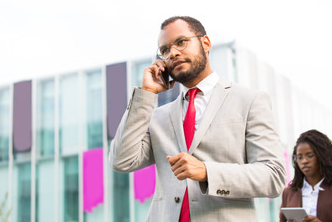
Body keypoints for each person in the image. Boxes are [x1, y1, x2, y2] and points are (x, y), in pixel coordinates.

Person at [109, 16, 286, 222]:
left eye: (181, 42)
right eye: (164, 50)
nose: (173, 53)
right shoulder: (158, 115)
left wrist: (206, 171)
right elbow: (121, 161)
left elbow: (273, 176)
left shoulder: (250, 101)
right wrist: (146, 94)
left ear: (206, 43)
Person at [280, 129, 332, 222]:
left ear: (322, 156)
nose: (304, 161)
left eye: (310, 155)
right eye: (299, 157)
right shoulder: (288, 193)